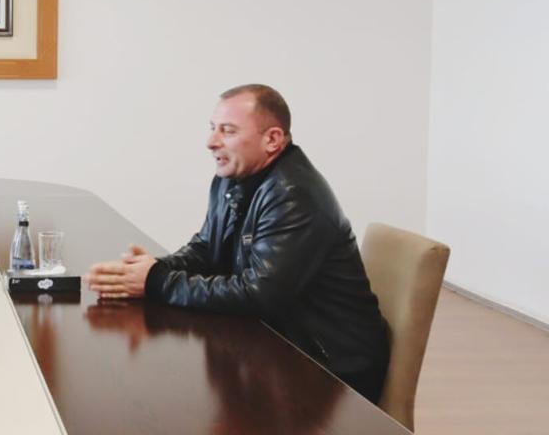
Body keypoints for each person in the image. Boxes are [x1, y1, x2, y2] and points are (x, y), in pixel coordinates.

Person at [85, 84, 390, 402]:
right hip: (276, 343)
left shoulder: (294, 196)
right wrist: (149, 270)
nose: (211, 141)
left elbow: (259, 294)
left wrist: (156, 281)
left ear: (272, 139)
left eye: (227, 131)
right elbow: (206, 248)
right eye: (212, 128)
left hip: (329, 367)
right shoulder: (231, 178)